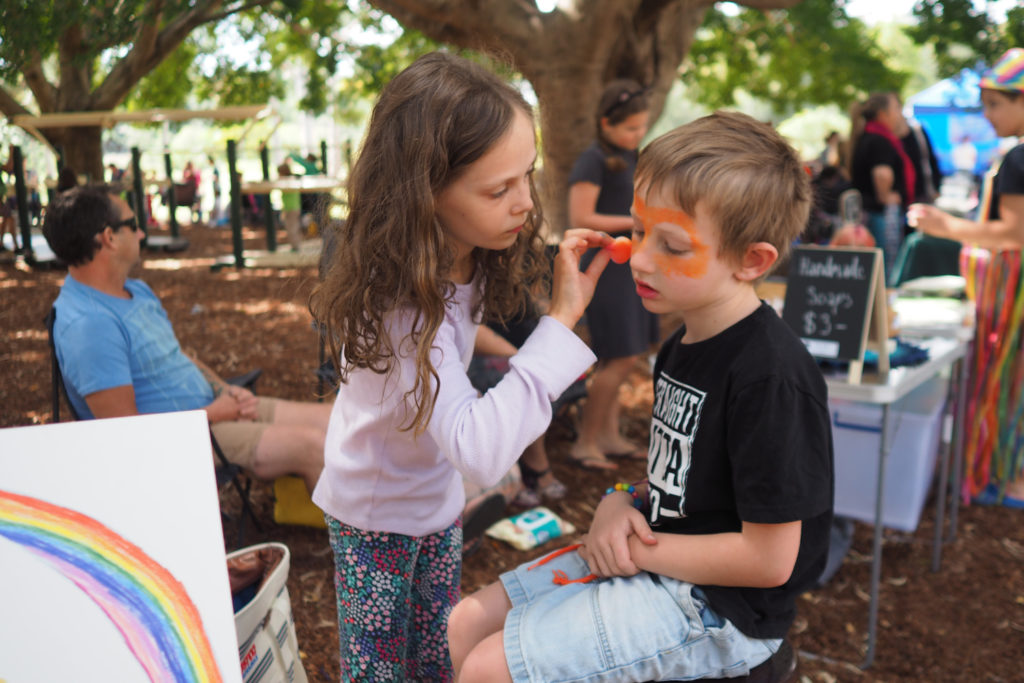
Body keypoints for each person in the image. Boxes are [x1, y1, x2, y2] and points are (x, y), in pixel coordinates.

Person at [448, 111, 834, 683]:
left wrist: (637, 550)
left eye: (673, 245)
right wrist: (619, 501)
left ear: (752, 261)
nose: (642, 257)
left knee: (488, 669)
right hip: (659, 559)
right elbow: (684, 482)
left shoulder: (770, 378)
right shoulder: (683, 343)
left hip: (725, 612)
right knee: (463, 624)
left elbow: (769, 560)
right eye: (640, 230)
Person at [307, 51, 610, 681]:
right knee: (381, 671)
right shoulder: (398, 307)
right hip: (375, 519)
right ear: (424, 191)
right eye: (499, 189)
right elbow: (479, 447)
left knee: (435, 656)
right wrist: (558, 327)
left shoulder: (463, 254)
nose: (525, 202)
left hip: (433, 502)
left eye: (526, 175)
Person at [42, 185, 329, 492]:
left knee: (337, 421)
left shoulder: (136, 290)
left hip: (213, 412)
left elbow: (179, 357)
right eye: (134, 225)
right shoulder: (89, 326)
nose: (141, 234)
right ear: (109, 238)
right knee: (314, 446)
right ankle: (355, 540)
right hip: (178, 444)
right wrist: (214, 413)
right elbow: (127, 435)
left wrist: (226, 390)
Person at [908, 48, 1024, 505]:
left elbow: (1015, 233)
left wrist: (946, 226)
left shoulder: (1018, 159)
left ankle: (1000, 475)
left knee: (1000, 374)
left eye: (996, 104)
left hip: (1009, 291)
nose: (987, 115)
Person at [567, 78, 658, 470]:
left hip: (629, 266)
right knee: (618, 357)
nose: (639, 134)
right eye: (631, 128)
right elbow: (580, 216)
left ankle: (608, 435)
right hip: (605, 268)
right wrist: (636, 221)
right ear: (606, 124)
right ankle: (585, 442)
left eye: (642, 126)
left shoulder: (632, 156)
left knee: (627, 355)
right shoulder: (593, 159)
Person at [849, 91, 915, 282]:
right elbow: (882, 174)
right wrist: (885, 196)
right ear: (882, 114)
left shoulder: (868, 136)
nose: (899, 114)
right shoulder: (879, 140)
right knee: (884, 269)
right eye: (896, 109)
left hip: (871, 213)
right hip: (880, 214)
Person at [277, 160, 303, 251]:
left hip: (292, 207)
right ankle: (295, 245)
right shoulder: (292, 179)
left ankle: (295, 246)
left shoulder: (287, 181)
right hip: (291, 207)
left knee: (292, 228)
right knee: (292, 227)